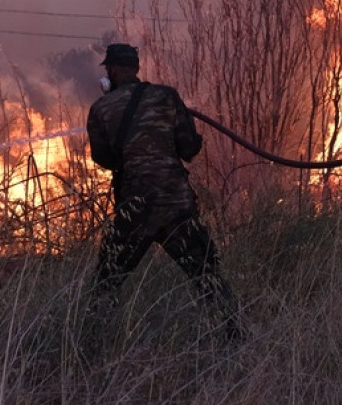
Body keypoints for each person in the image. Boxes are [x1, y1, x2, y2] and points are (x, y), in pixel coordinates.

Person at [84, 43, 242, 340]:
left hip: (135, 208)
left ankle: (88, 345)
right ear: (137, 68)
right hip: (176, 206)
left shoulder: (101, 108)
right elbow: (189, 149)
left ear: (113, 71)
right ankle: (235, 337)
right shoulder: (167, 97)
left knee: (106, 280)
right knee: (207, 275)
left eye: (108, 70)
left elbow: (103, 159)